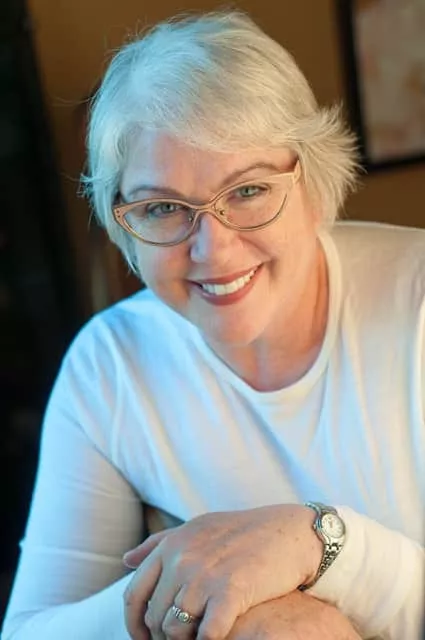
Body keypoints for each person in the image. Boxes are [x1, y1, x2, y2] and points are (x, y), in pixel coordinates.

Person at [2, 10, 424, 640]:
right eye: (163, 207)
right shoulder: (109, 367)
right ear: (123, 223)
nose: (214, 250)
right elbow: (31, 632)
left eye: (248, 191)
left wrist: (319, 546)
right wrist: (210, 586)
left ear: (312, 184)